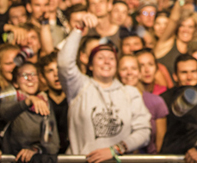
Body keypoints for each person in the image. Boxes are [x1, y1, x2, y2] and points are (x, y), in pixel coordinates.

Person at [57, 12, 151, 161]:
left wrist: (116, 149)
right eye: (100, 58)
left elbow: (143, 131)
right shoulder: (79, 87)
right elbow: (64, 64)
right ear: (91, 65)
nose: (106, 61)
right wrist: (78, 30)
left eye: (111, 58)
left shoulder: (130, 93)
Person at [0, 61, 59, 161]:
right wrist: (27, 102)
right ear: (15, 82)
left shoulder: (44, 102)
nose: (30, 78)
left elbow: (52, 142)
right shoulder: (8, 98)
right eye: (24, 75)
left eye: (33, 74)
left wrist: (35, 149)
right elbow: (5, 114)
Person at [117, 54, 168, 154]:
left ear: (140, 73)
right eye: (124, 69)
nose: (129, 73)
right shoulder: (110, 101)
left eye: (133, 68)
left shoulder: (156, 101)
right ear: (118, 73)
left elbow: (160, 145)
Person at [38, 52, 69, 154]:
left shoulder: (76, 100)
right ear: (42, 77)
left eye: (59, 69)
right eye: (50, 70)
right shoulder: (40, 102)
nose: (56, 74)